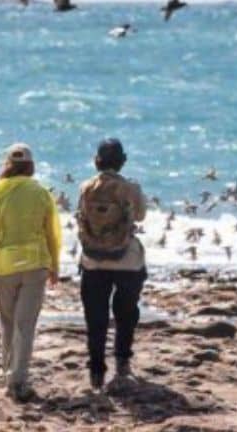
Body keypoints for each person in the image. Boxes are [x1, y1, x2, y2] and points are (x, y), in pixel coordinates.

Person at [0, 143, 61, 402]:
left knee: (8, 323)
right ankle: (18, 380)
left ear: (7, 165)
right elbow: (52, 234)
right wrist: (55, 266)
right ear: (31, 166)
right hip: (35, 265)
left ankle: (9, 376)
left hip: (5, 267)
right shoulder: (41, 192)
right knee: (26, 325)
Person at [76, 138, 147, 391]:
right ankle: (122, 359)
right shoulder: (131, 188)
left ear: (97, 161)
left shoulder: (86, 187)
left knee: (95, 317)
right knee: (126, 313)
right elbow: (140, 215)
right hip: (127, 260)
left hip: (93, 259)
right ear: (123, 161)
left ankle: (96, 370)